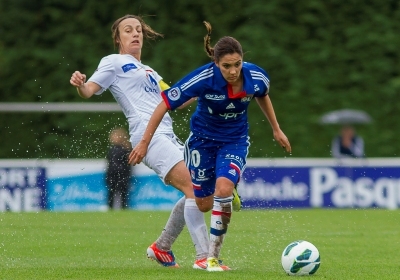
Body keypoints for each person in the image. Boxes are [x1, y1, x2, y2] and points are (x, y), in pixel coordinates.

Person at [129, 21, 292, 271]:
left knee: (223, 188)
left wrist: (276, 128)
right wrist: (144, 142)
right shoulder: (203, 78)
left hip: (234, 141)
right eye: (226, 66)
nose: (233, 71)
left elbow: (263, 94)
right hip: (202, 143)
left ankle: (210, 258)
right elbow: (163, 103)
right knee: (201, 202)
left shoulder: (256, 76)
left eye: (237, 64)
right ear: (216, 63)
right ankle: (163, 246)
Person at [69, 14, 215, 270]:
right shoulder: (113, 62)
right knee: (195, 189)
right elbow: (89, 90)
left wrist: (208, 87)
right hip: (148, 137)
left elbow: (178, 99)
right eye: (128, 30)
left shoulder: (149, 71)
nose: (135, 33)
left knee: (201, 193)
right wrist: (80, 85)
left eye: (138, 29)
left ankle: (162, 247)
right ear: (118, 38)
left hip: (167, 135)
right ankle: (205, 258)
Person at [105, 127, 132, 210]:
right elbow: (110, 164)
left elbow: (128, 164)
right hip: (113, 175)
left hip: (122, 175)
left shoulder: (125, 149)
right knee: (111, 193)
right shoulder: (112, 149)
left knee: (123, 194)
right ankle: (110, 208)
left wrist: (125, 175)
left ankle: (123, 209)